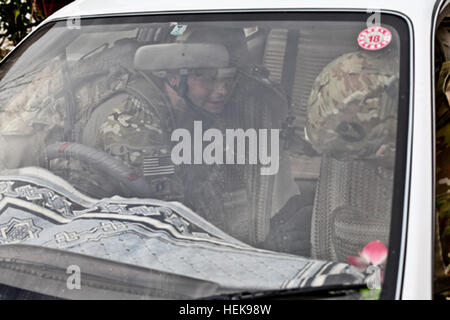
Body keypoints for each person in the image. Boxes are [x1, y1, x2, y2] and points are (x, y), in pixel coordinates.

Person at [81, 25, 311, 253]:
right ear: (173, 75)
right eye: (208, 78)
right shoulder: (135, 122)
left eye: (228, 80)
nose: (222, 91)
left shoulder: (205, 111)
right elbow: (171, 221)